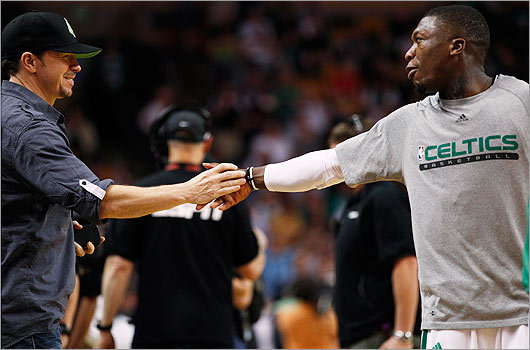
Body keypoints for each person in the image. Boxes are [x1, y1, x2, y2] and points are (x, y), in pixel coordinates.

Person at [202, 5, 529, 349]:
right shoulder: (408, 124)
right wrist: (251, 178)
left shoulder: (520, 103)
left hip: (521, 316)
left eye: (420, 40)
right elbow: (327, 166)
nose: (409, 52)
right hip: (447, 322)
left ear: (456, 46)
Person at [1, 11, 245, 349]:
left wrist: (49, 227)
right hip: (21, 324)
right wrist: (191, 190)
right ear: (29, 61)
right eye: (65, 56)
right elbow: (103, 201)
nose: (77, 66)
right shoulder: (28, 127)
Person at [94, 105, 267, 349]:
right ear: (207, 144)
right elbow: (249, 270)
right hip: (212, 334)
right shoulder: (228, 194)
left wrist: (106, 327)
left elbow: (119, 266)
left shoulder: (140, 194)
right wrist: (260, 243)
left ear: (164, 142)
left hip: (154, 334)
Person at [328, 118, 420, 349]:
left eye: (341, 156)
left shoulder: (383, 195)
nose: (336, 165)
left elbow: (407, 263)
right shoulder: (354, 202)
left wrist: (403, 334)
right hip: (360, 337)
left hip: (382, 336)